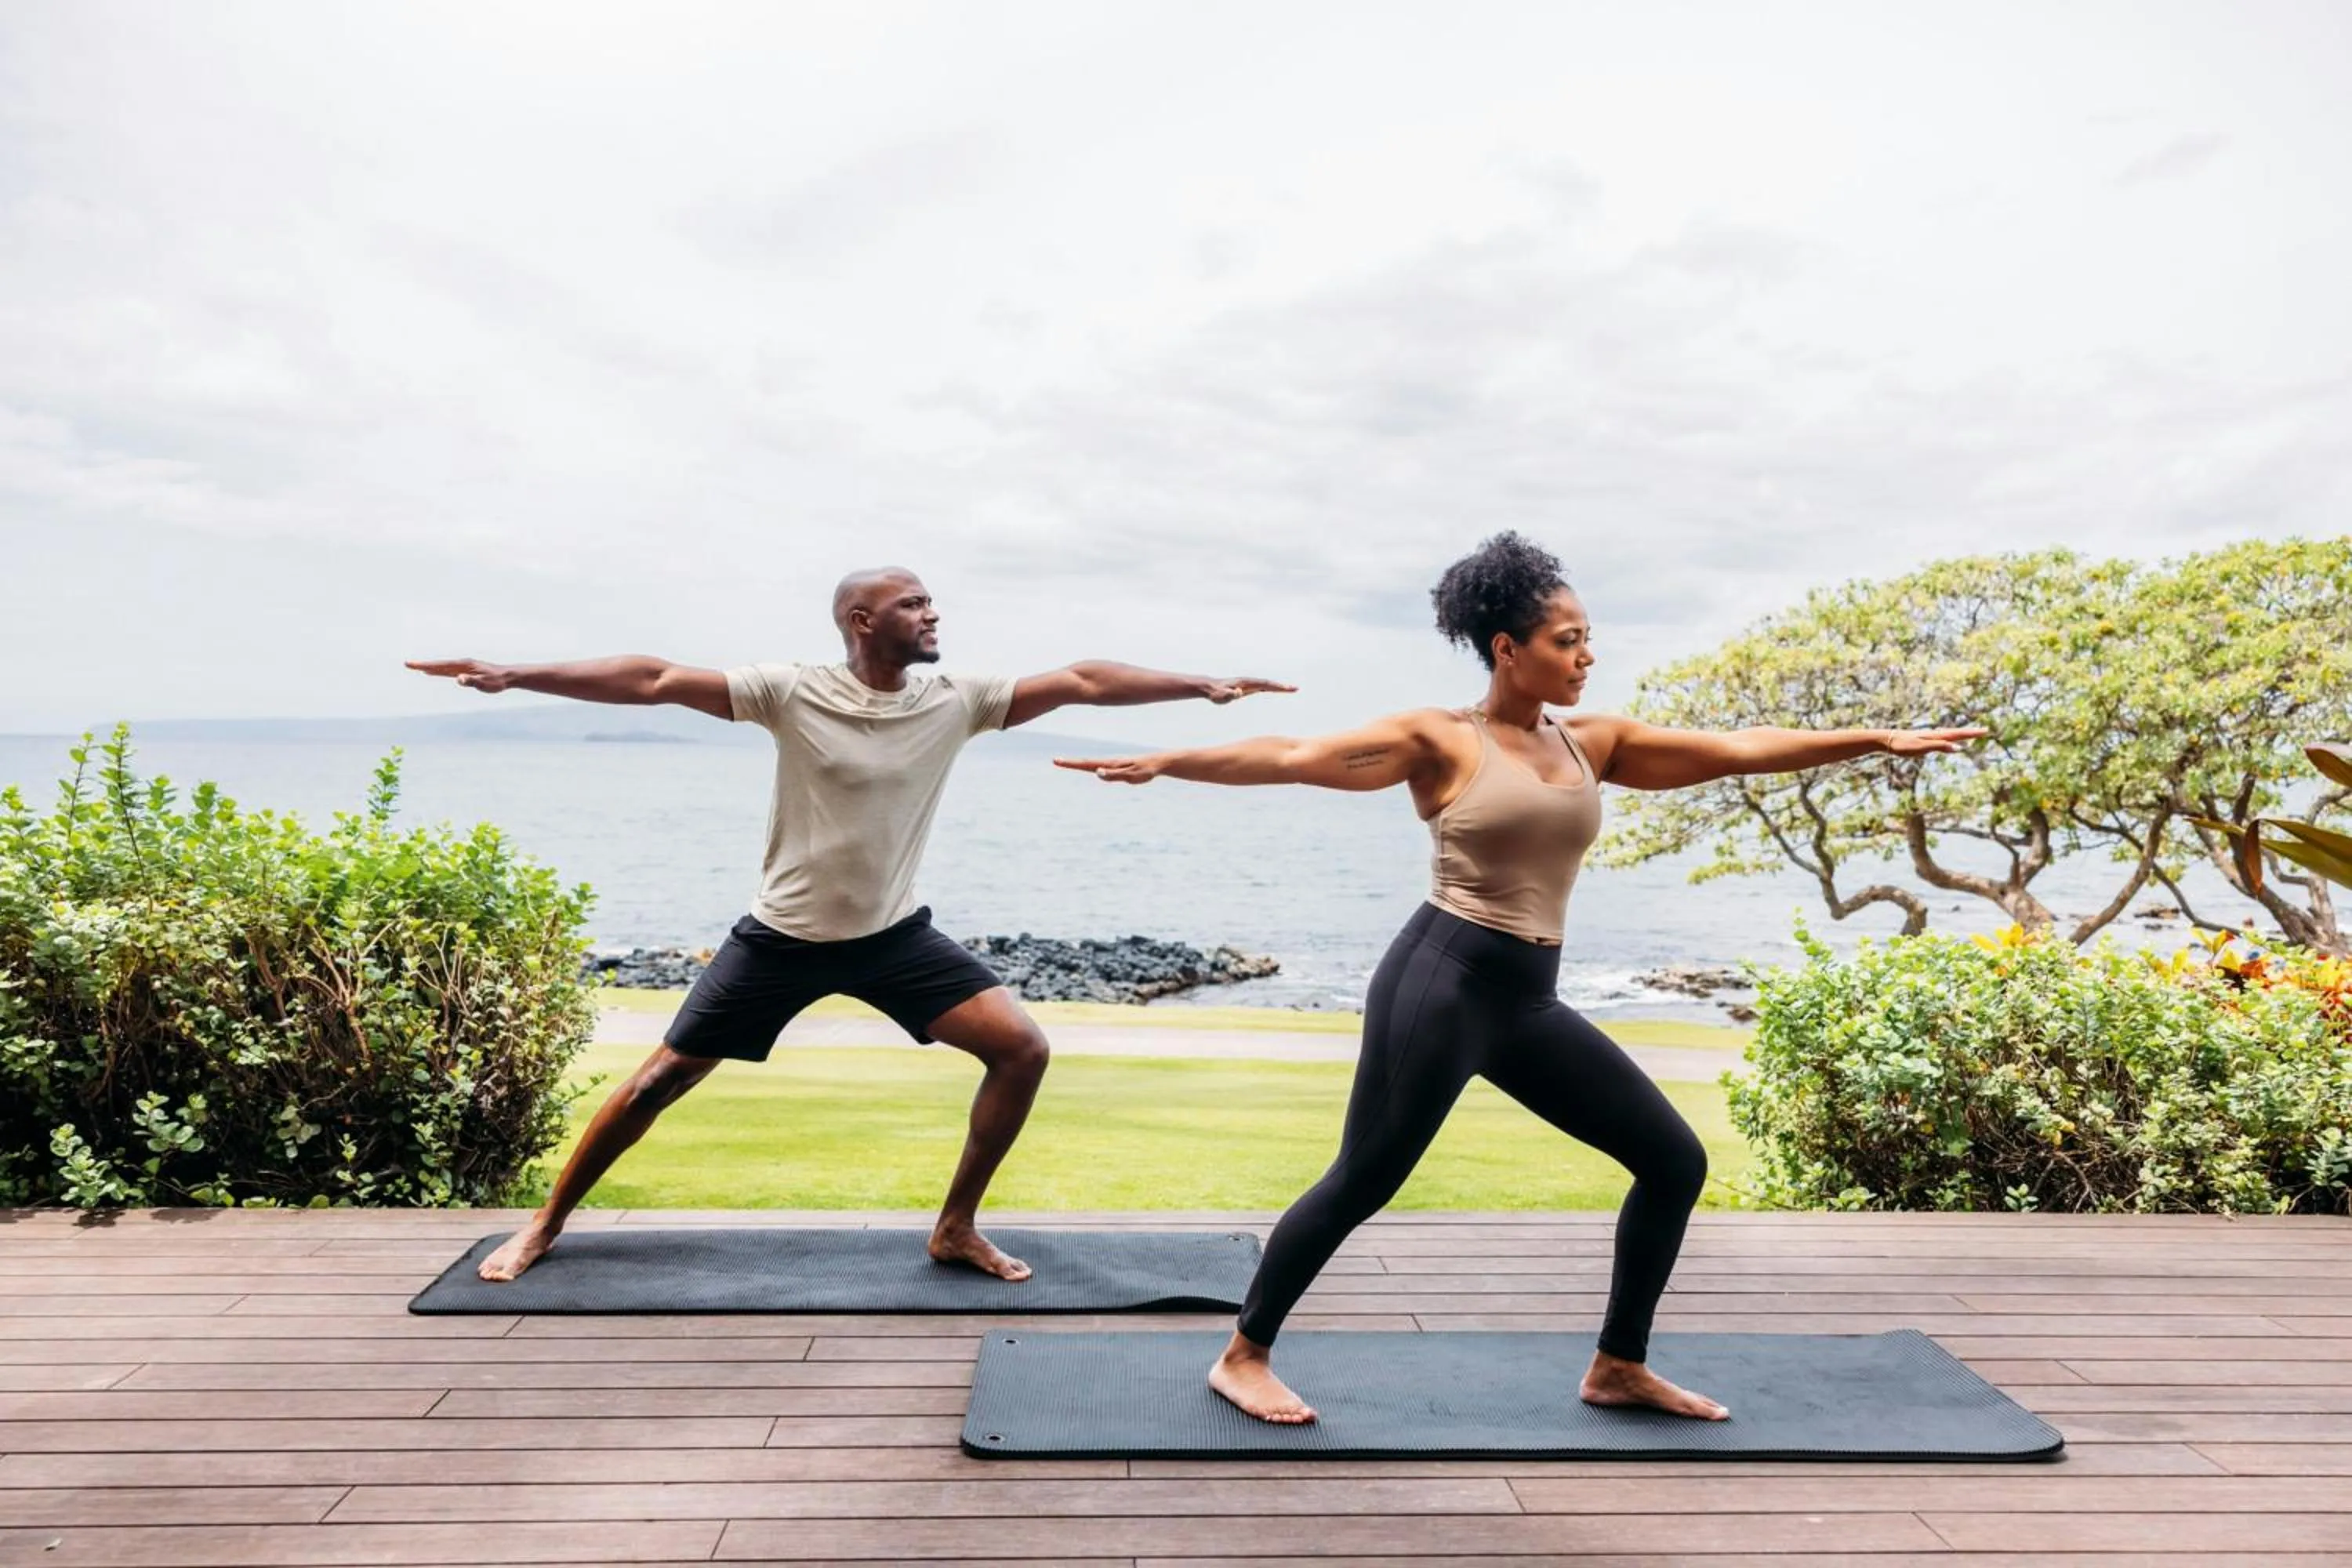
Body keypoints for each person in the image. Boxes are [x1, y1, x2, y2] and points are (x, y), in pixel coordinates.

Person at [1057, 532, 1984, 1423]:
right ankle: (1242, 1354)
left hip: (1526, 1000)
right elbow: (1294, 757)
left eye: (1587, 638)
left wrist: (1875, 738)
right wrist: (1169, 761)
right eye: (1567, 640)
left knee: (1672, 1160)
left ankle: (1619, 1364)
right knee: (1364, 1177)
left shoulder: (1594, 742)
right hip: (1441, 982)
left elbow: (1738, 746)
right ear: (1508, 648)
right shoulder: (1442, 739)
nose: (1587, 656)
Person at [410, 566, 1291, 1285]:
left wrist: (1199, 684)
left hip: (892, 938)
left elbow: (1084, 681)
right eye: (913, 603)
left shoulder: (956, 698)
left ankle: (954, 1228)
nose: (932, 613)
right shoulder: (790, 691)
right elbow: (656, 680)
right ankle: (545, 1224)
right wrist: (515, 674)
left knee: (1021, 1048)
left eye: (932, 601)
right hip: (781, 939)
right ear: (862, 621)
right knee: (656, 1084)